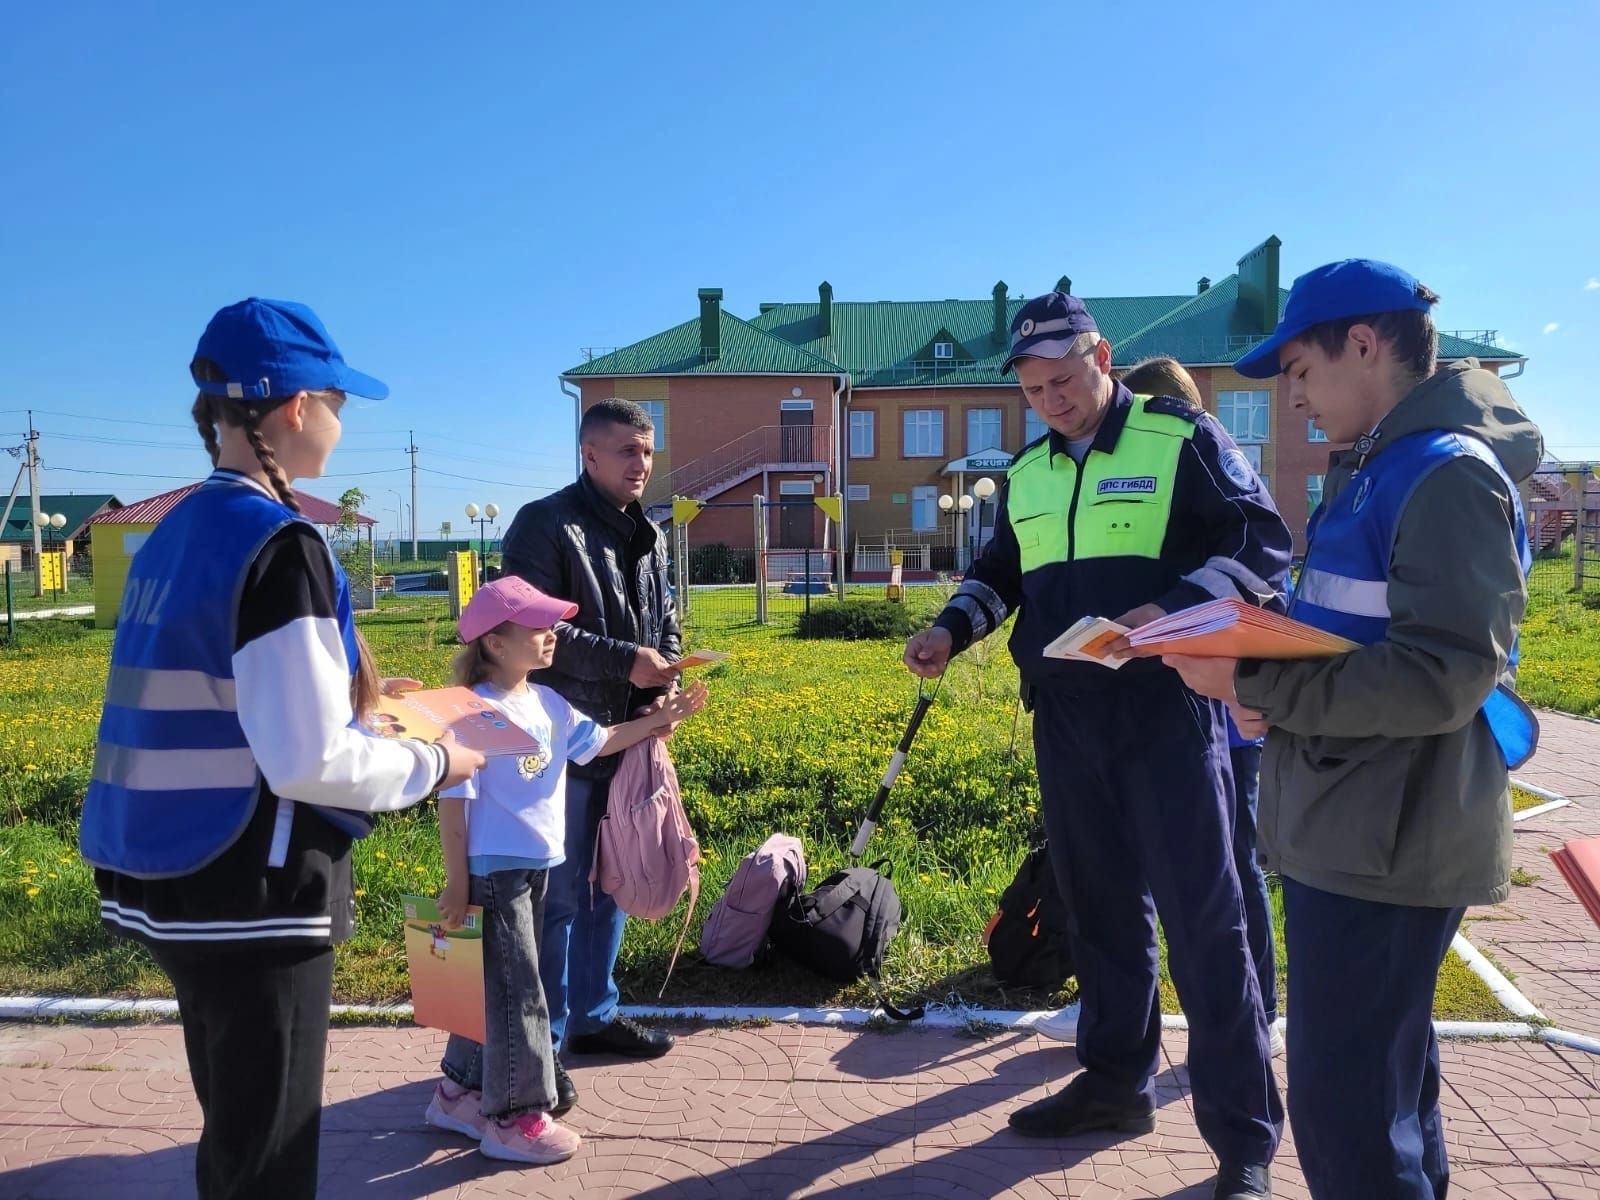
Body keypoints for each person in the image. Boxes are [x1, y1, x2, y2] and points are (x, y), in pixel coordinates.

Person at [78, 298, 485, 1200]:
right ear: (296, 406)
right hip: (253, 889)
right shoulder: (278, 541)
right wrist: (435, 763)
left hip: (170, 879)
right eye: (339, 403)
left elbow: (234, 708)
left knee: (234, 1134)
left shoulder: (176, 534)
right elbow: (308, 762)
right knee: (267, 1159)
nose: (342, 425)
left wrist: (374, 716)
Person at [1156, 260, 1542, 1200]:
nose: (1293, 399)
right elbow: (1357, 634)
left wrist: (1256, 681)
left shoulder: (1441, 475)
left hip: (1389, 837)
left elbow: (1443, 674)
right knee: (1391, 1096)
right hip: (1359, 820)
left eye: (1300, 371)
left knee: (1348, 1120)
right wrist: (1267, 669)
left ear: (1364, 346)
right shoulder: (1382, 465)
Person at [903, 293, 1289, 1200]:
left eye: (1065, 381)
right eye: (1035, 390)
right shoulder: (1030, 469)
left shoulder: (1180, 436)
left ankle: (1244, 1141)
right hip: (1067, 720)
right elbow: (1002, 571)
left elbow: (1260, 540)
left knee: (1206, 922)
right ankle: (1116, 1083)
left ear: (1102, 356)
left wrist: (1173, 610)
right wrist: (950, 631)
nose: (1053, 402)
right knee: (1100, 910)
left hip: (1164, 711)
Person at [423, 575, 707, 1164]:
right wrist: (456, 884)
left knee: (494, 985)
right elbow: (453, 811)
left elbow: (600, 741)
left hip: (538, 867)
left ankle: (455, 1093)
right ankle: (514, 1118)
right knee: (519, 993)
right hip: (492, 874)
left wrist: (660, 720)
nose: (552, 634)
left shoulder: (546, 703)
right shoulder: (471, 712)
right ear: (496, 644)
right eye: (539, 626)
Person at [500, 397, 683, 1111]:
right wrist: (626, 664)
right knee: (560, 897)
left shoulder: (652, 534)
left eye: (647, 451)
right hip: (561, 740)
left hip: (630, 736)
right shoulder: (546, 525)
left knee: (614, 879)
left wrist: (665, 672)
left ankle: (595, 1016)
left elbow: (665, 619)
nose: (641, 465)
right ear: (590, 456)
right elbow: (530, 628)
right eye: (626, 452)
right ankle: (541, 1050)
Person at [1119, 356, 1282, 1054]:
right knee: (1171, 869)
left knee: (1235, 865)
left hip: (1232, 718)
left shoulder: (1216, 476)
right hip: (1183, 710)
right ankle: (1138, 1015)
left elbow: (1254, 583)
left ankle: (1261, 1011)